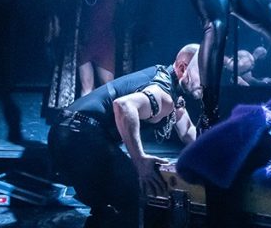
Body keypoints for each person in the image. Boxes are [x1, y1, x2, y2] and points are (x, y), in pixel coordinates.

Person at [47, 43, 201, 228]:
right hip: (79, 137)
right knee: (136, 195)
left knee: (109, 206)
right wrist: (139, 160)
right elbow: (124, 106)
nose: (205, 83)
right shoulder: (163, 92)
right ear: (183, 68)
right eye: (202, 74)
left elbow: (187, 131)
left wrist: (215, 158)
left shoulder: (168, 87)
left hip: (66, 134)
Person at [76, 0, 125, 95]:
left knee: (108, 86)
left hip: (105, 41)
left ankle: (108, 110)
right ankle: (86, 109)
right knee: (86, 87)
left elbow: (124, 13)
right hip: (86, 40)